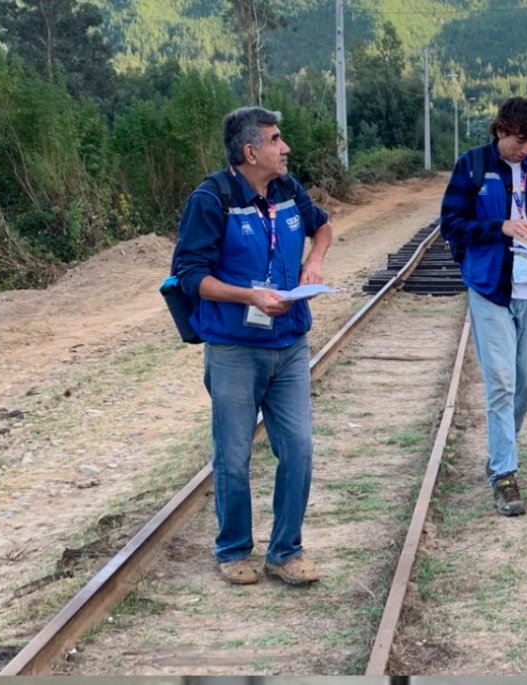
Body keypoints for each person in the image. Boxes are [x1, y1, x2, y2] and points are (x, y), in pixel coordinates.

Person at [172, 106, 332, 584]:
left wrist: (314, 263)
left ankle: (286, 551)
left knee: (299, 449)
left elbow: (321, 226)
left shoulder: (287, 189)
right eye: (276, 140)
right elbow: (190, 276)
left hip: (290, 343)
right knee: (234, 455)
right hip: (233, 349)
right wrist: (249, 295)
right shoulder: (211, 199)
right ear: (250, 151)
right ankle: (233, 549)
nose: (285, 148)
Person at [440, 96, 527, 516]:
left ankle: (503, 445)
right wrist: (499, 227)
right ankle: (504, 474)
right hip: (490, 288)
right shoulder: (472, 165)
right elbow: (450, 224)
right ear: (501, 131)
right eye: (522, 140)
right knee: (500, 381)